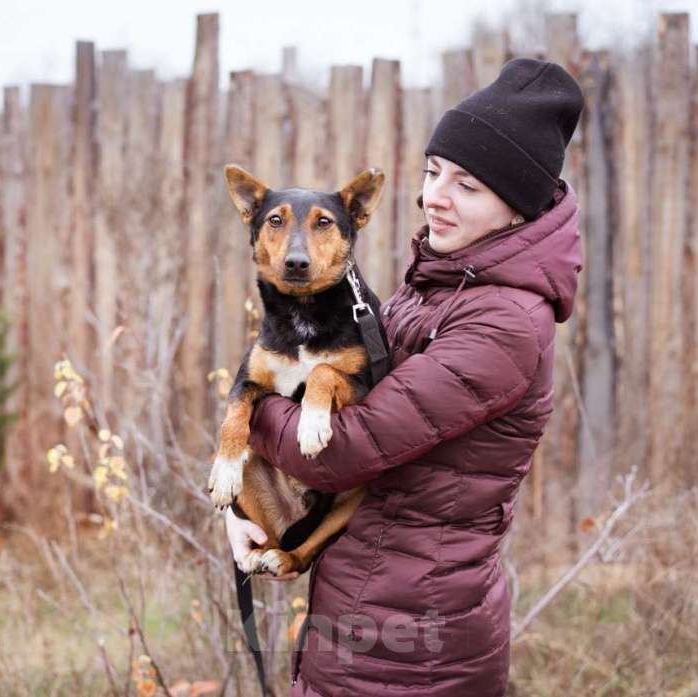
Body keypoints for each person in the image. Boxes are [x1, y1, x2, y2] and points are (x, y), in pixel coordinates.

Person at [225, 57, 584, 696]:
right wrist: (242, 500)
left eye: (466, 186)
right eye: (432, 172)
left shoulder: (502, 322)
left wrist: (253, 401)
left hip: (417, 645)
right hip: (368, 612)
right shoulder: (436, 286)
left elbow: (343, 450)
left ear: (516, 207)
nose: (433, 197)